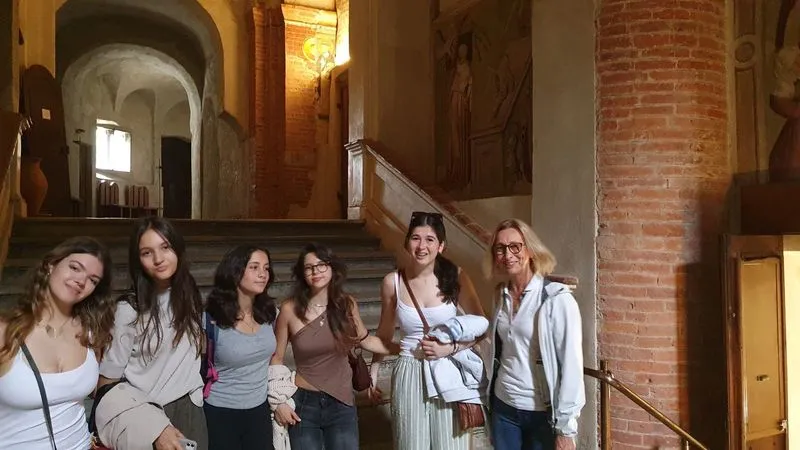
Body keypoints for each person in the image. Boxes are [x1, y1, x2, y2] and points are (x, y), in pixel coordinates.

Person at [370, 211, 486, 450]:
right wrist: (373, 371)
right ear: (407, 243)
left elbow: (482, 327)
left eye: (430, 239)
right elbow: (384, 334)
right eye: (416, 238)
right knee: (410, 444)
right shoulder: (393, 282)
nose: (422, 246)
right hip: (409, 368)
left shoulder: (456, 277)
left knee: (451, 445)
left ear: (441, 246)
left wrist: (451, 348)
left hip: (447, 369)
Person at [270, 242, 396, 449]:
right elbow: (276, 357)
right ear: (302, 273)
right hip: (304, 403)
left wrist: (407, 347)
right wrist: (278, 402)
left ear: (332, 268)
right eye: (309, 267)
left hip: (341, 402)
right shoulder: (289, 309)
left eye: (321, 265)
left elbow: (365, 340)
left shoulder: (346, 304)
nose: (316, 271)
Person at [98, 216, 207, 450]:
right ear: (138, 260)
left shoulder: (189, 295)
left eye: (165, 247)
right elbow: (107, 381)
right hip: (148, 414)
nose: (158, 259)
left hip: (191, 407)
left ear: (177, 249)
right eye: (147, 253)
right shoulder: (129, 310)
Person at [0, 237, 114, 450]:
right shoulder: (6, 332)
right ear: (51, 265)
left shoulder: (91, 333)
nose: (81, 280)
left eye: (93, 280)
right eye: (75, 268)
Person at [482, 218, 585, 450]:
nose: (508, 255)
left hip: (541, 413)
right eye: (500, 248)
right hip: (503, 407)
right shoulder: (500, 295)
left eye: (515, 246)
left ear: (529, 250)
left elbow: (571, 366)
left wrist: (566, 429)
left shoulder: (556, 300)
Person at [204, 245, 277, 450]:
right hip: (221, 412)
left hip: (259, 410)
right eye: (254, 267)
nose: (263, 274)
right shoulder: (211, 319)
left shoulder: (269, 313)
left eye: (266, 268)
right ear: (235, 272)